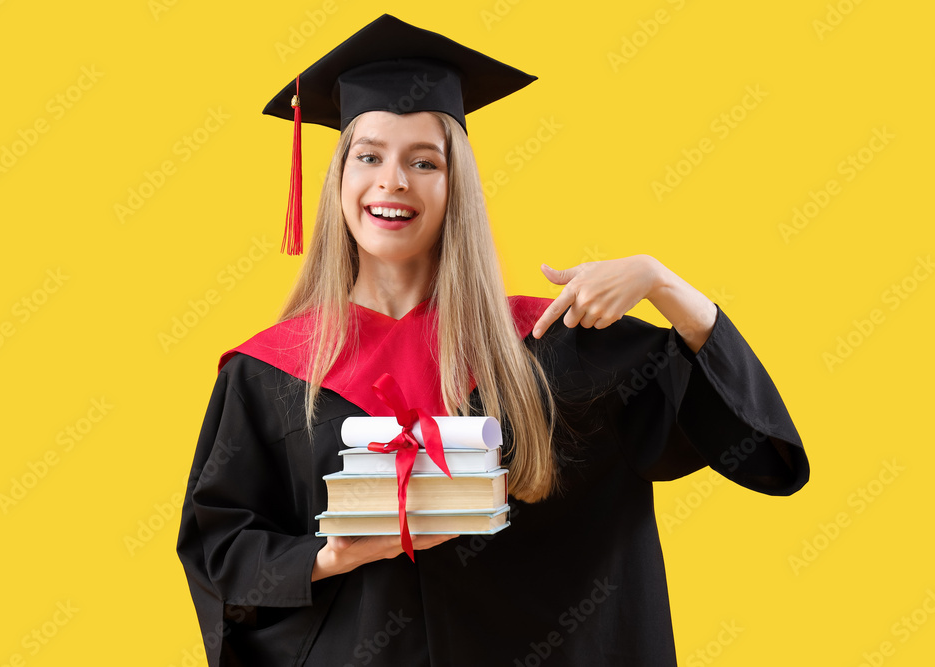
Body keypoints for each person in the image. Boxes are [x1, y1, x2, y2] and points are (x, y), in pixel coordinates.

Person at [176, 14, 809, 667]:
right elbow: (222, 547)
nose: (392, 180)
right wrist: (325, 556)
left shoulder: (550, 344)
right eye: (368, 155)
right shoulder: (269, 372)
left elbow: (761, 453)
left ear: (457, 187)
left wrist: (664, 284)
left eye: (424, 160)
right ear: (339, 179)